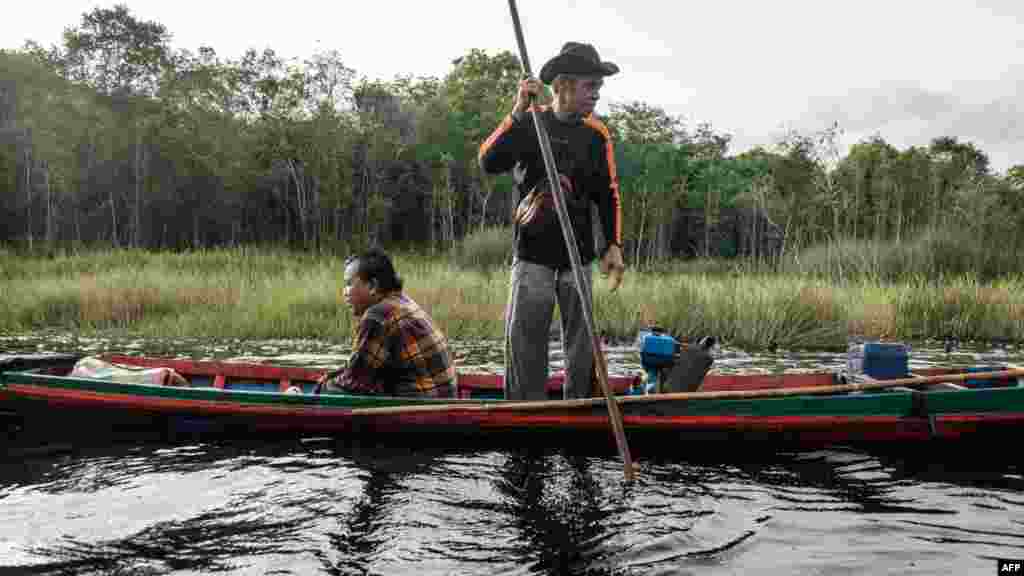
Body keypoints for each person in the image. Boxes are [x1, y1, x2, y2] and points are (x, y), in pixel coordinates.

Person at [478, 42, 625, 401]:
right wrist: (515, 113)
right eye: (591, 87)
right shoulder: (530, 122)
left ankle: (578, 407)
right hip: (531, 256)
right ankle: (525, 411)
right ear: (562, 85)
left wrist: (612, 246)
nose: (597, 95)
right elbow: (488, 161)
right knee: (526, 343)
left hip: (578, 257)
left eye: (598, 87)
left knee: (581, 346)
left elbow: (607, 194)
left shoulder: (596, 134)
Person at [316, 248, 457, 398]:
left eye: (349, 284)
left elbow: (353, 383)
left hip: (417, 407)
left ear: (372, 286)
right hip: (441, 401)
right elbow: (360, 366)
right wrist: (335, 376)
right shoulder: (402, 301)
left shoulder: (378, 315)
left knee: (331, 392)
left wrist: (321, 388)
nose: (344, 292)